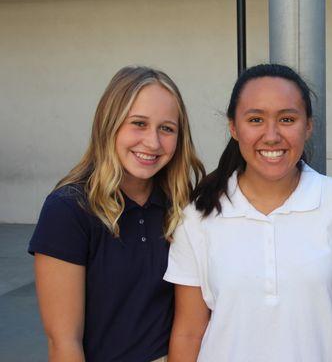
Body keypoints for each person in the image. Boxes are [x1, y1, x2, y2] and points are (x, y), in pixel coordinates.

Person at [164, 64, 332, 362]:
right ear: (233, 127)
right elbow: (189, 331)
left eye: (287, 119)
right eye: (255, 119)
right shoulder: (198, 215)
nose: (271, 135)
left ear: (308, 126)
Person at [29, 66, 205, 362]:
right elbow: (64, 342)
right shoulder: (68, 210)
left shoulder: (182, 205)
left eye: (167, 128)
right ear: (109, 124)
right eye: (138, 123)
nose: (152, 142)